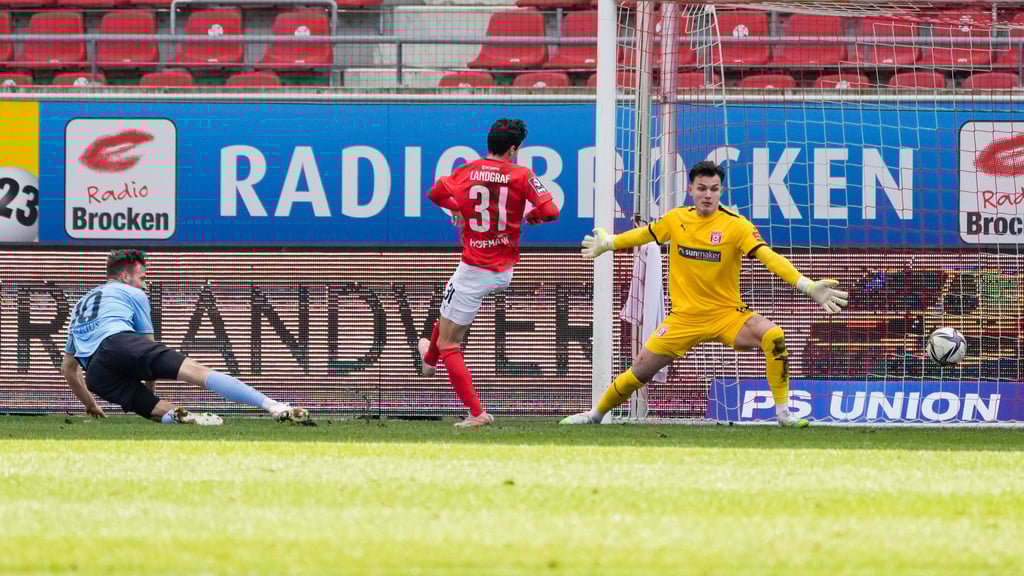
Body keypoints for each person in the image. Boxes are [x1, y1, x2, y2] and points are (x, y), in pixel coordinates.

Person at [561, 161, 849, 427]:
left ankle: (783, 414)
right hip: (683, 319)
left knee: (773, 335)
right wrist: (608, 243)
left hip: (727, 315)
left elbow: (769, 258)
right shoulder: (676, 219)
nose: (708, 195)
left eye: (714, 189)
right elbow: (645, 234)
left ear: (720, 191)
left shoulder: (736, 225)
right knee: (640, 372)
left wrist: (807, 285)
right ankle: (595, 415)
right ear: (691, 189)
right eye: (702, 189)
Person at [61, 249, 311, 425]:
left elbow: (69, 369)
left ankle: (192, 420)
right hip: (120, 342)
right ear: (126, 277)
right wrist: (150, 379)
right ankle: (274, 406)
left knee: (155, 410)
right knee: (197, 371)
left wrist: (91, 404)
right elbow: (147, 347)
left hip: (96, 373)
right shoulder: (132, 294)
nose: (145, 285)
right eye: (142, 278)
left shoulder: (80, 304)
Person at [419, 118, 560, 427]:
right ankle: (428, 362)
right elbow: (551, 211)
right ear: (513, 149)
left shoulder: (467, 172)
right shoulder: (523, 175)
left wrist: (456, 207)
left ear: (490, 145)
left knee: (449, 344)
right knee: (448, 301)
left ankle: (476, 412)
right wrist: (534, 216)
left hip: (476, 268)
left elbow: (434, 194)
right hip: (503, 268)